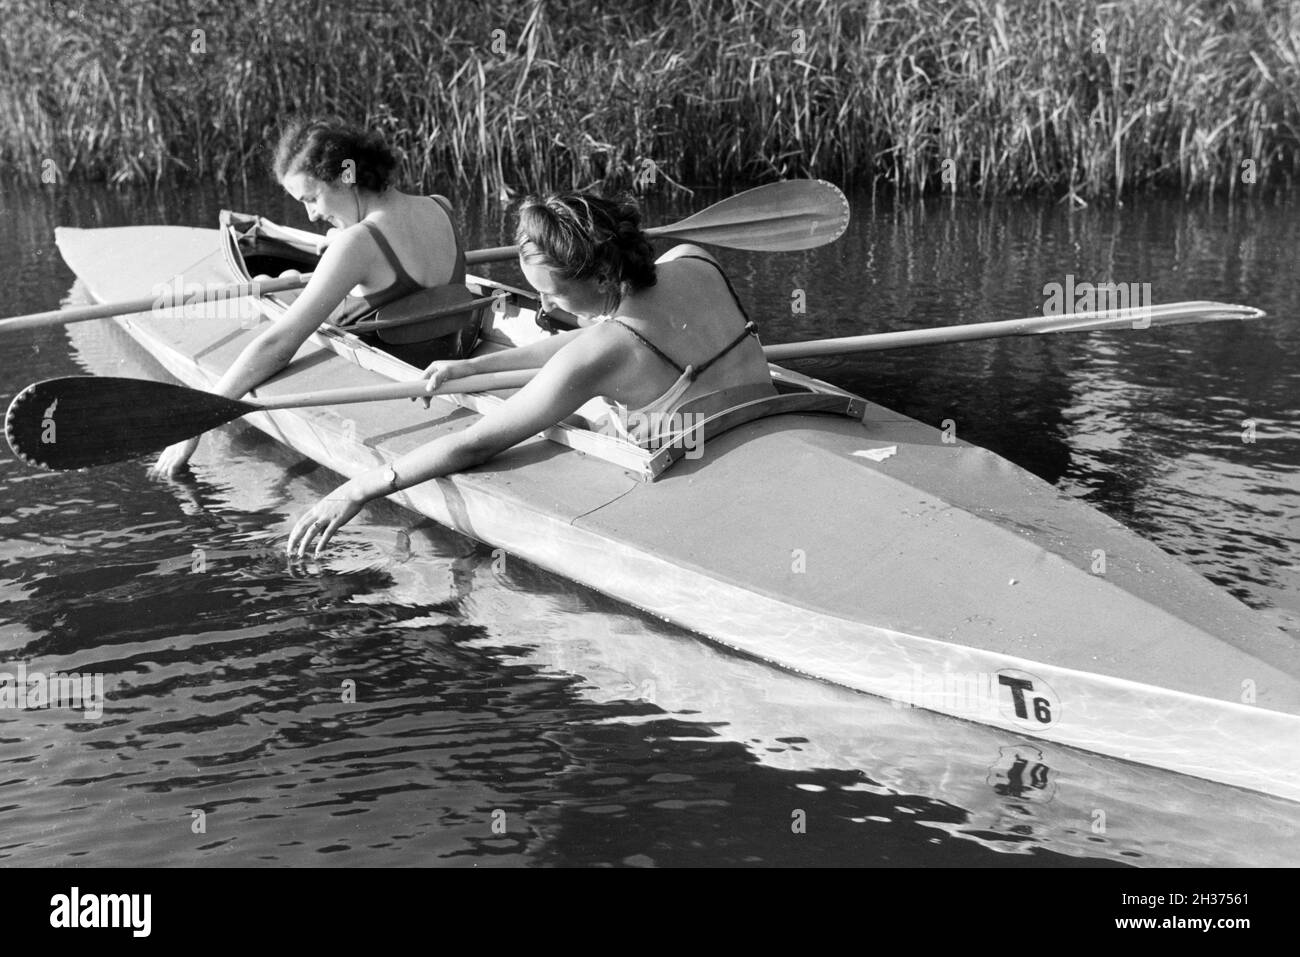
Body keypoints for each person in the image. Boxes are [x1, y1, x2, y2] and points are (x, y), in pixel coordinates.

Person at [287, 191, 775, 558]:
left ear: (603, 277)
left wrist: (360, 486)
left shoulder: (600, 354)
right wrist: (478, 366)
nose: (543, 306)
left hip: (698, 472)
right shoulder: (694, 258)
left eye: (553, 296)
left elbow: (475, 444)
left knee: (568, 425)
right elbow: (614, 331)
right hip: (771, 419)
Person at [151, 118, 464, 475]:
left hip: (395, 371)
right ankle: (282, 280)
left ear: (346, 176)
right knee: (285, 278)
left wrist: (201, 417)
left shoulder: (358, 243)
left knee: (277, 284)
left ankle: (275, 283)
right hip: (444, 350)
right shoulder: (441, 205)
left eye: (312, 198)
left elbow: (278, 345)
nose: (312, 214)